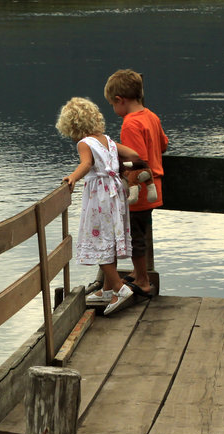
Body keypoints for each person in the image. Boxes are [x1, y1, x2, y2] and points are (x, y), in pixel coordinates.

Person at [56, 97, 148, 316]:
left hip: (99, 198)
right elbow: (135, 155)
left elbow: (86, 164)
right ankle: (107, 290)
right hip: (116, 194)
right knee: (109, 240)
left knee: (98, 241)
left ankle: (120, 288)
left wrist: (73, 178)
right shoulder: (107, 140)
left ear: (72, 125)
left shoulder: (84, 143)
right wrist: (119, 168)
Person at [104, 69, 169, 297]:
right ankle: (137, 271)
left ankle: (142, 280)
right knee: (140, 230)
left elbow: (137, 159)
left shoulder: (130, 124)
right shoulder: (151, 116)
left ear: (120, 100)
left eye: (113, 105)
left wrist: (116, 162)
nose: (114, 110)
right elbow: (163, 145)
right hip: (154, 187)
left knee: (135, 237)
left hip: (138, 190)